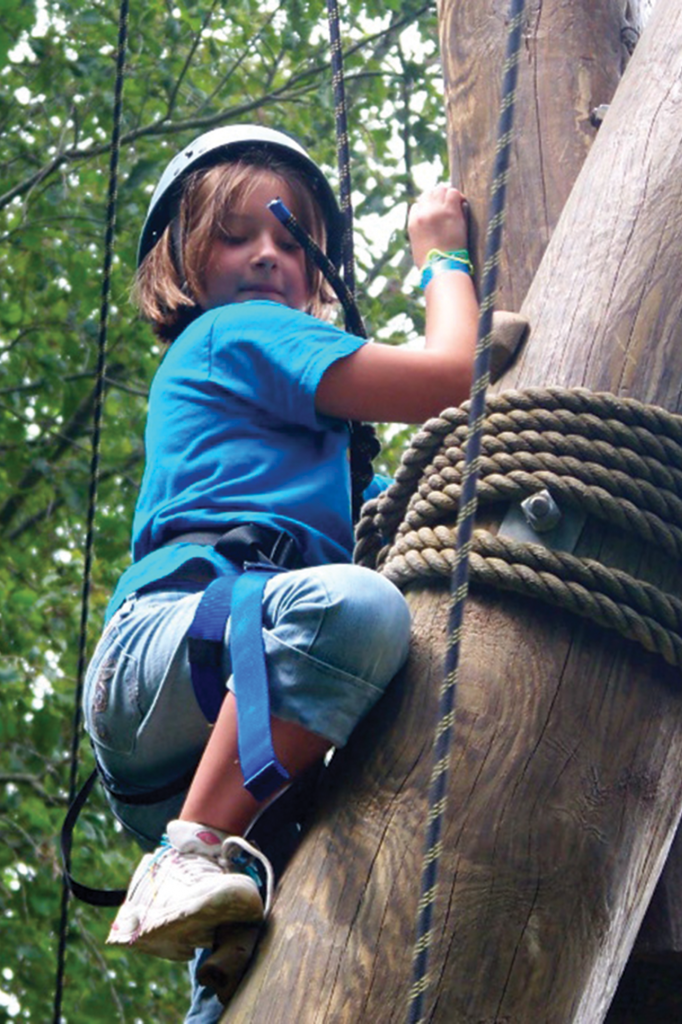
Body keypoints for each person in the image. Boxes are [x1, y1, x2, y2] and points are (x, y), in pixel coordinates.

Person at [81, 124, 478, 1019]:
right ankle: (189, 854)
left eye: (294, 241)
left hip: (215, 711)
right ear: (181, 259)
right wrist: (443, 262)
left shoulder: (328, 458)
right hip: (176, 647)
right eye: (236, 233)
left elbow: (416, 514)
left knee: (278, 938)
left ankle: (214, 929)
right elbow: (453, 376)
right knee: (364, 613)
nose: (268, 254)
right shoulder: (235, 334)